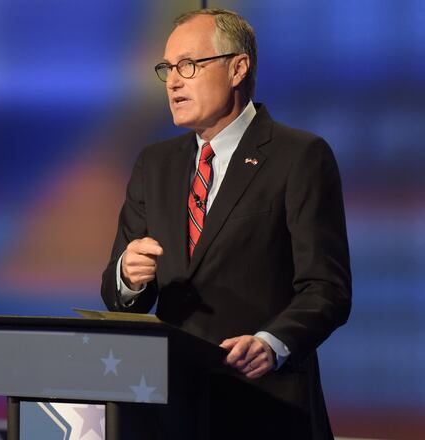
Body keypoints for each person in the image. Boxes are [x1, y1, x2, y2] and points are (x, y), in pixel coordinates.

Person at [101, 9, 351, 439]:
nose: (173, 82)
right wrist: (128, 276)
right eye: (167, 69)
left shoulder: (299, 156)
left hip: (264, 406)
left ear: (238, 67)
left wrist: (272, 344)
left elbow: (326, 287)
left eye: (188, 65)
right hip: (171, 409)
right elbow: (118, 293)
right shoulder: (154, 164)